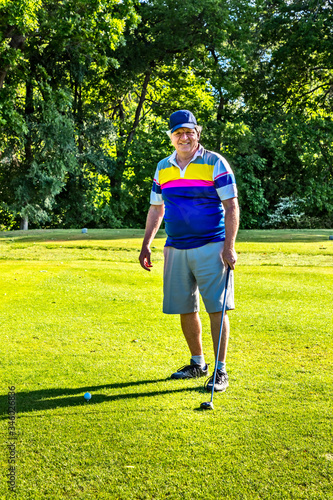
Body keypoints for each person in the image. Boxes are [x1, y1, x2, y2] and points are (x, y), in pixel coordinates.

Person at [139, 110, 239, 393]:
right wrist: (147, 243)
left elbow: (231, 206)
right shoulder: (163, 167)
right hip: (176, 247)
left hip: (212, 245)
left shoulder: (214, 162)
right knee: (185, 307)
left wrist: (229, 247)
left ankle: (220, 370)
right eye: (178, 133)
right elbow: (157, 208)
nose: (184, 137)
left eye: (189, 132)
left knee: (217, 308)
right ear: (171, 137)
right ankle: (198, 364)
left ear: (198, 133)